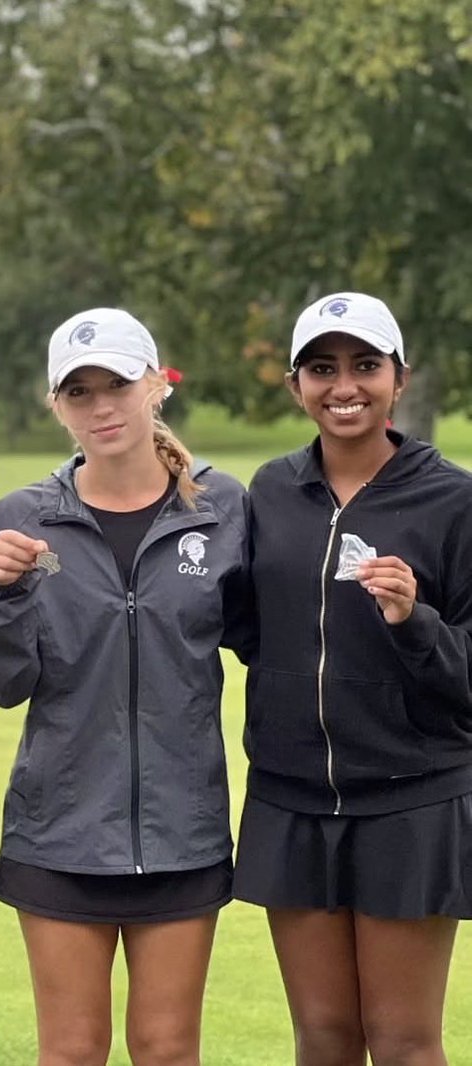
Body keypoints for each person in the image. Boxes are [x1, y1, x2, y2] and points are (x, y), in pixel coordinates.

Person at [0, 308, 252, 1066]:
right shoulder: (25, 520)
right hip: (59, 832)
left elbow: (269, 645)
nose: (102, 407)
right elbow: (3, 684)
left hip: (181, 835)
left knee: (166, 1049)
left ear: (156, 385)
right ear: (56, 404)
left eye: (118, 384)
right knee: (71, 1051)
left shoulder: (223, 512)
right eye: (79, 391)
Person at [233, 292, 472, 1066]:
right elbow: (242, 625)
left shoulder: (454, 501)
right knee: (325, 1037)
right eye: (323, 368)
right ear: (296, 385)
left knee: (403, 1042)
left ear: (400, 378)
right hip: (291, 797)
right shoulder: (269, 493)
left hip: (412, 800)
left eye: (366, 366)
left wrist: (414, 622)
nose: (345, 386)